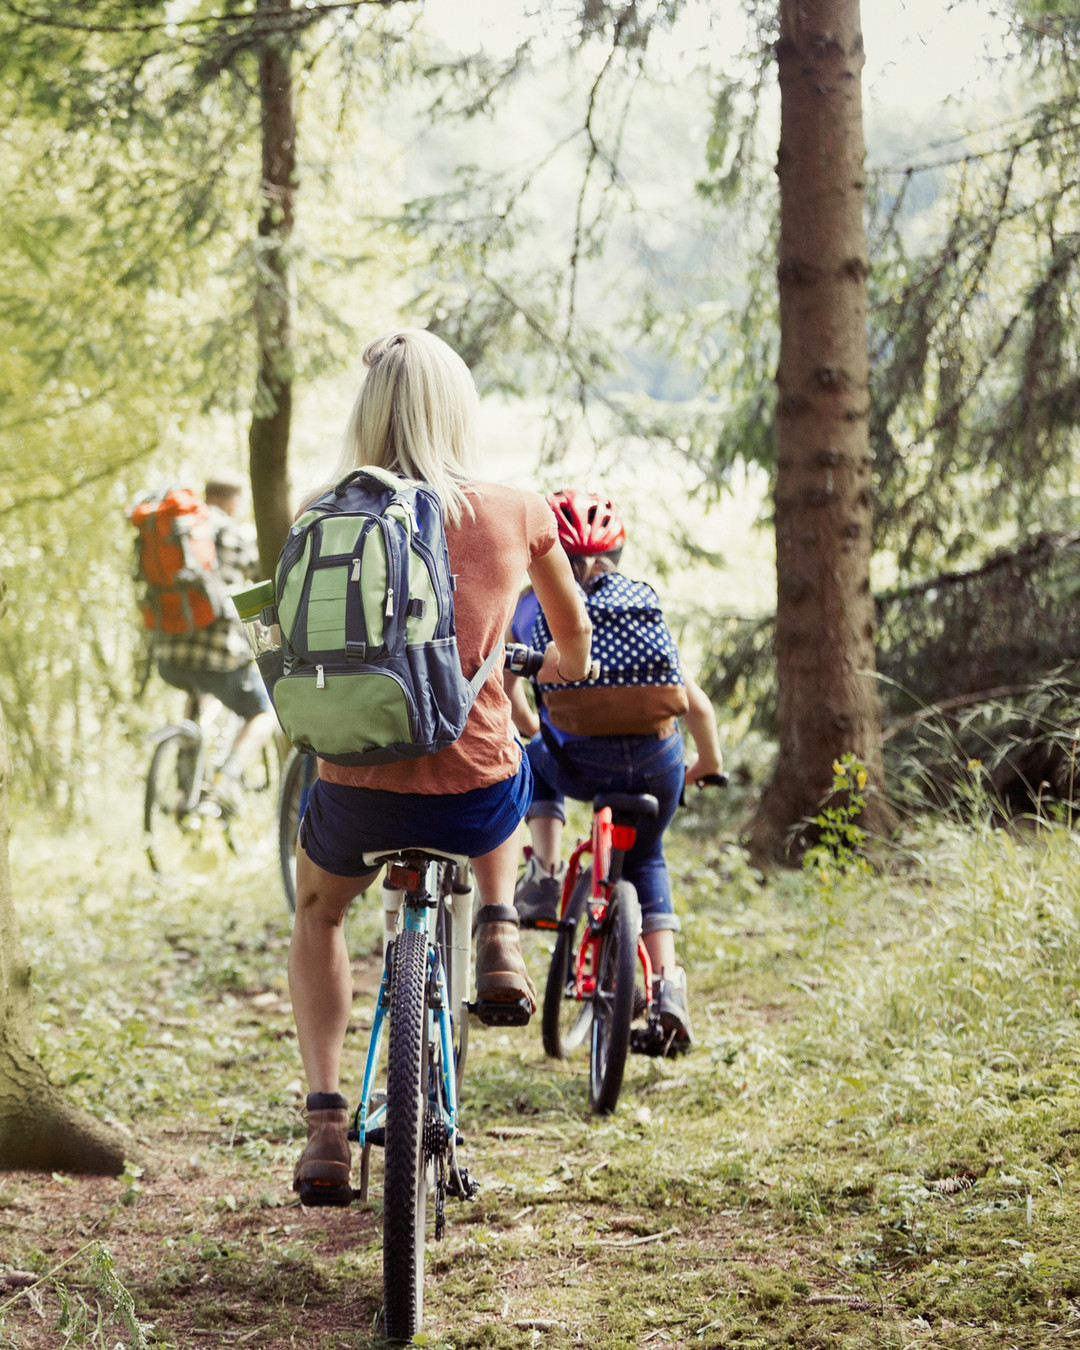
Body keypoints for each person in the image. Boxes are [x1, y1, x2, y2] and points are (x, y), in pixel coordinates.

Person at [289, 330, 591, 1200]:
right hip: (473, 797)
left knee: (317, 912)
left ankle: (323, 1124)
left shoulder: (322, 513)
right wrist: (546, 672)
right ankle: (499, 924)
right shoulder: (517, 510)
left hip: (356, 797)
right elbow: (570, 641)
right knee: (517, 763)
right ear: (459, 409)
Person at [506, 488, 723, 1050]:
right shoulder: (642, 605)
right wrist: (703, 766)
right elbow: (694, 704)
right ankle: (668, 988)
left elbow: (511, 696)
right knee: (648, 857)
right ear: (613, 559)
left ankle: (547, 871)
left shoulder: (533, 606)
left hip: (580, 764)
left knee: (535, 762)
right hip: (657, 765)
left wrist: (538, 730)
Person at [153, 470, 278, 812]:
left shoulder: (179, 532)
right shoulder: (236, 533)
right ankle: (226, 781)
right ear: (233, 500)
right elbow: (259, 587)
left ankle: (183, 793)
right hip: (218, 656)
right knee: (264, 714)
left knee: (198, 695)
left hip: (167, 655)